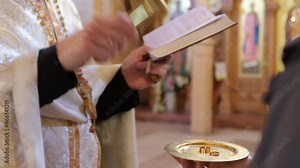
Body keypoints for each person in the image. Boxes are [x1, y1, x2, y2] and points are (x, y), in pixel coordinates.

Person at [0, 0, 170, 167]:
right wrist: (62, 56)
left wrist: (121, 80)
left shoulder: (64, 5)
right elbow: (6, 93)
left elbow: (78, 100)